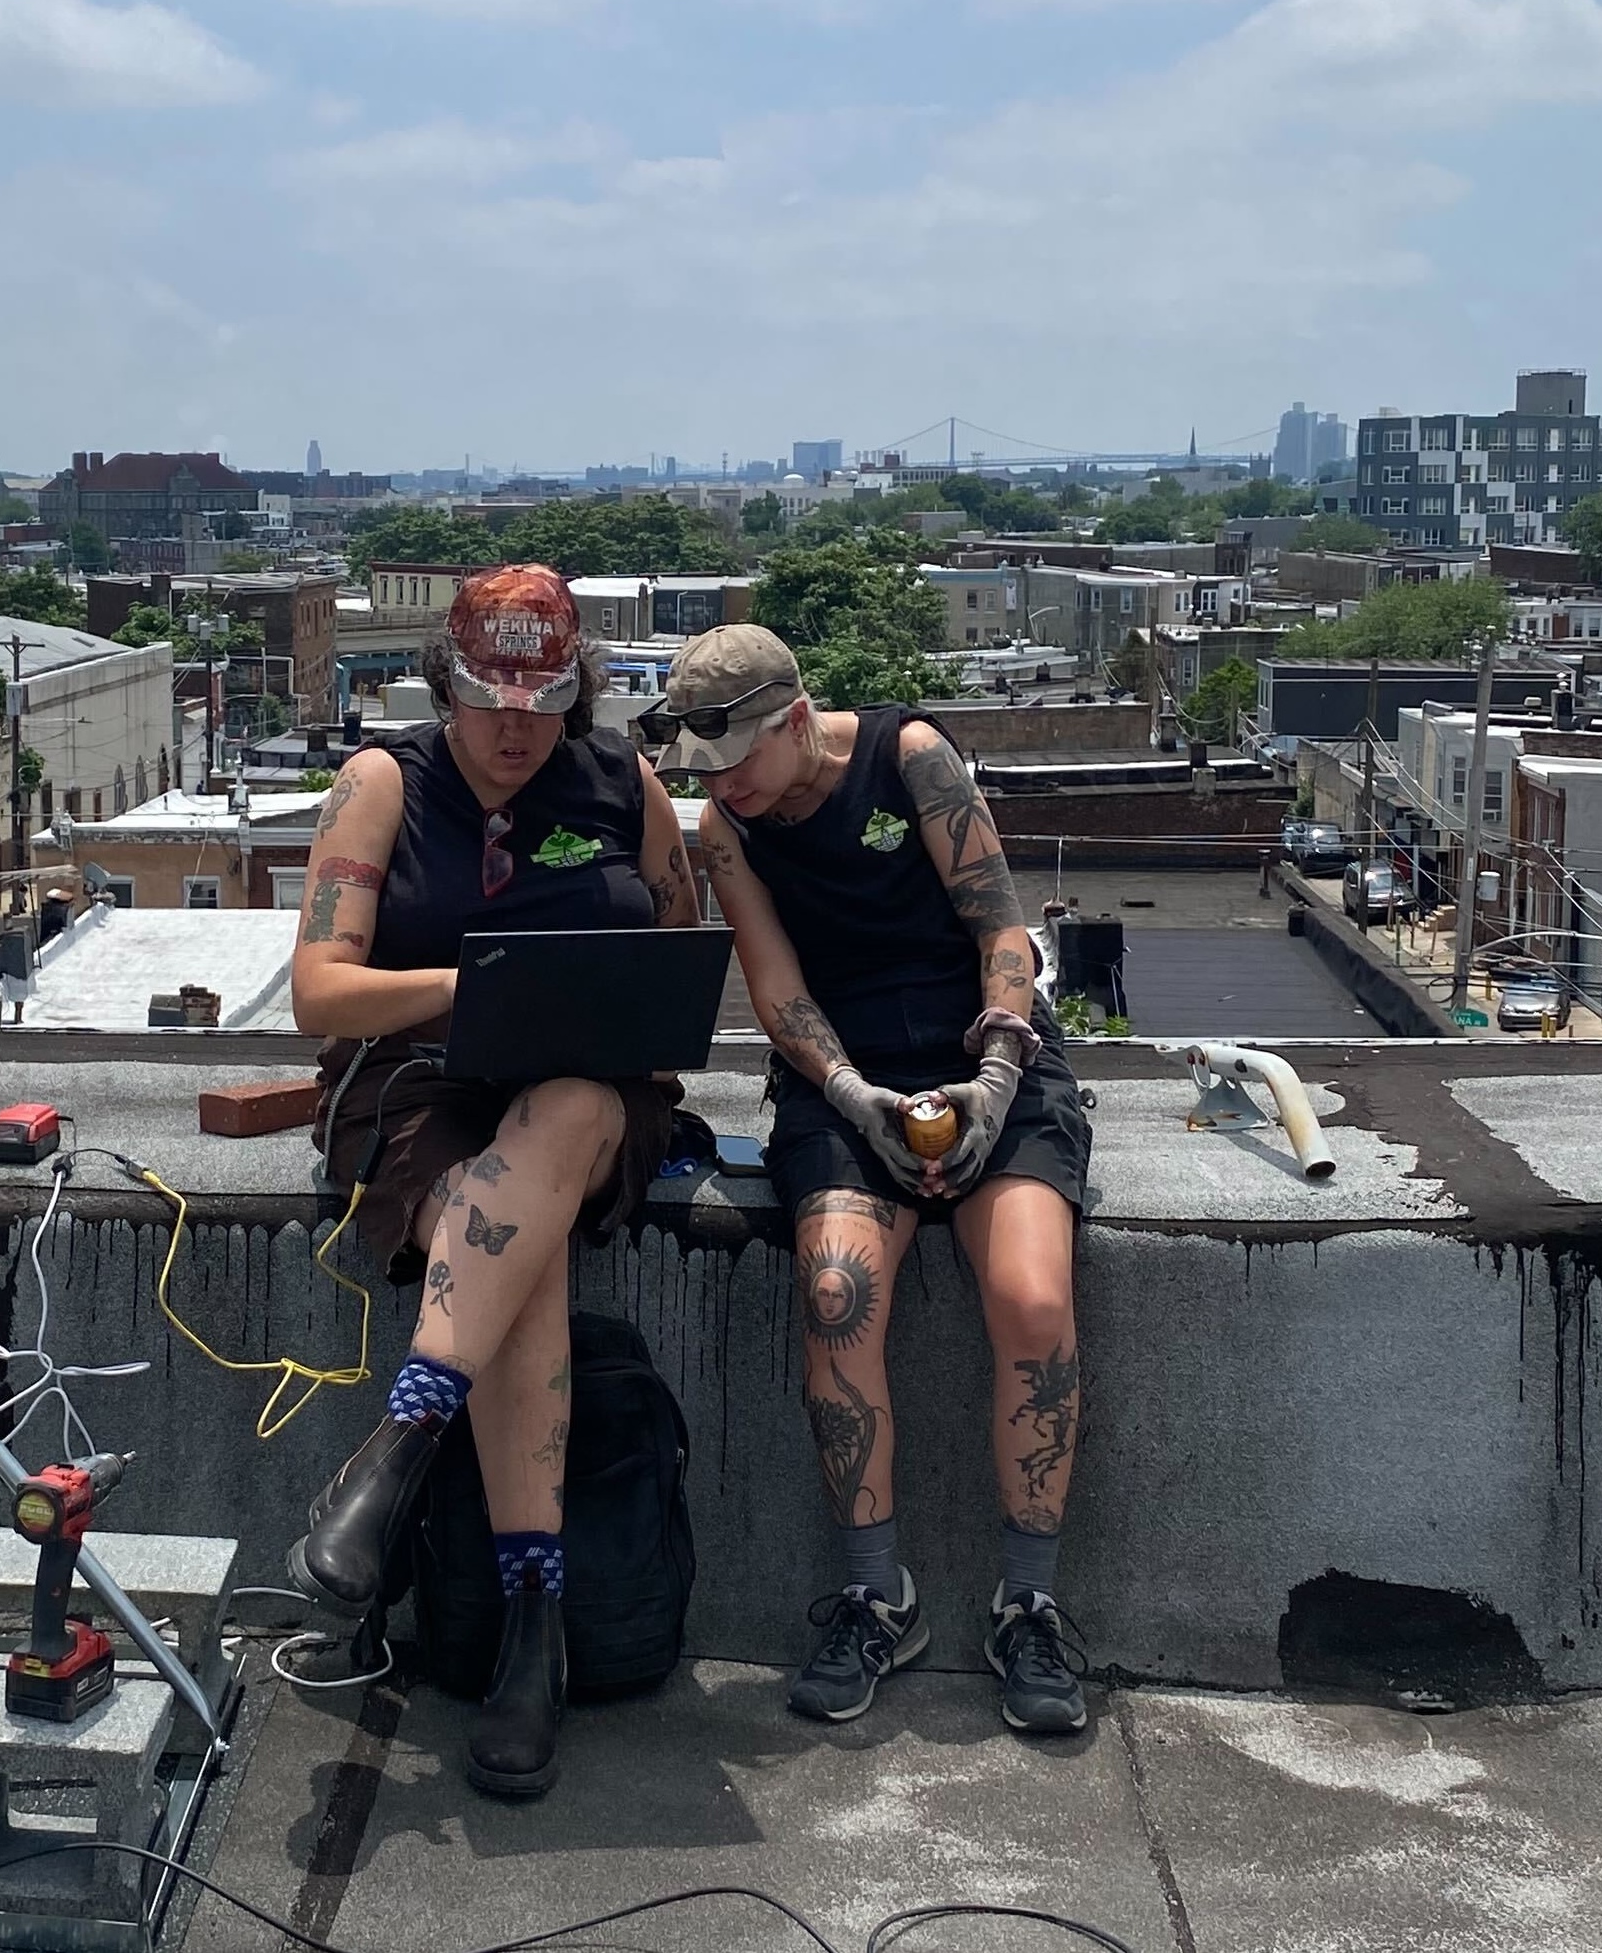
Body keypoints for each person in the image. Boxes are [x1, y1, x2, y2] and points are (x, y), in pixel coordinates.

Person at [286, 565, 699, 1799]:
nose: (514, 726)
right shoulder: (382, 786)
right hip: (419, 1086)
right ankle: (534, 1633)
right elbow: (319, 990)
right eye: (486, 699)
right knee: (527, 1241)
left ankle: (403, 1440)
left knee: (566, 1116)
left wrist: (586, 1008)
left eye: (540, 700)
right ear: (444, 688)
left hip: (587, 1091)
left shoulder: (625, 786)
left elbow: (685, 961)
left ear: (574, 693)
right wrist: (487, 986)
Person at [645, 624, 1092, 1736]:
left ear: (794, 721)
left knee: (1032, 1303)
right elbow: (775, 987)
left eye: (740, 761)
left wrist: (993, 1074)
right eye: (708, 774)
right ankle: (873, 1593)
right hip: (840, 1079)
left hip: (989, 1057)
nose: (728, 790)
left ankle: (1027, 1600)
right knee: (836, 1292)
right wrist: (851, 1098)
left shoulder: (911, 760)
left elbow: (1000, 928)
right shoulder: (727, 830)